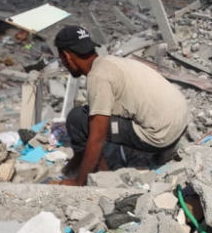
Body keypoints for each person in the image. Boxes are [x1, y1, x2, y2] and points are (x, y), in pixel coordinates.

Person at [54, 25, 189, 186]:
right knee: (91, 113)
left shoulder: (98, 77)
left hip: (161, 135)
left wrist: (78, 182)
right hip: (180, 119)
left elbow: (97, 137)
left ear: (67, 56)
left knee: (78, 119)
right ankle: (89, 166)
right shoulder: (111, 61)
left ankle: (101, 178)